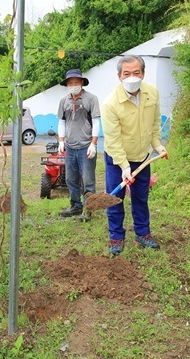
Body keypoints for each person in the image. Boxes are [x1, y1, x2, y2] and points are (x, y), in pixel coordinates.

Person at [101, 55, 167, 256]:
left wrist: (157, 145)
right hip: (116, 159)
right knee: (115, 198)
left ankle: (142, 233)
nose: (132, 77)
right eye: (127, 74)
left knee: (140, 197)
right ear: (119, 76)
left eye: (136, 73)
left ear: (143, 74)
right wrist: (124, 167)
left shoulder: (152, 94)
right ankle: (116, 237)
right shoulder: (110, 104)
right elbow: (112, 140)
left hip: (142, 156)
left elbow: (154, 124)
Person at [57, 69, 100, 222]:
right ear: (67, 84)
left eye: (76, 82)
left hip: (86, 146)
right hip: (70, 146)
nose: (73, 85)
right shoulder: (64, 101)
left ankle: (88, 209)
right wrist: (61, 141)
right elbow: (62, 122)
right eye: (70, 83)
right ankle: (75, 205)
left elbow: (96, 122)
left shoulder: (91, 99)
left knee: (88, 180)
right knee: (70, 179)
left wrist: (93, 144)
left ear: (82, 83)